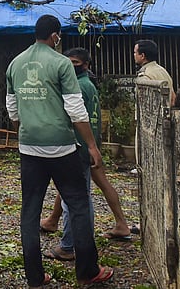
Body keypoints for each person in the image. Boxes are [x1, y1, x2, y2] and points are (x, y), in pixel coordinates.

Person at [6, 15, 113, 288]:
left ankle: (34, 276)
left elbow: (13, 110)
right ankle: (87, 271)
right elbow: (76, 110)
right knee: (77, 205)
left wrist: (27, 128)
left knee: (30, 211)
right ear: (55, 36)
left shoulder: (15, 64)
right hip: (61, 147)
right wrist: (91, 145)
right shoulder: (61, 63)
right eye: (59, 37)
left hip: (29, 147)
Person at [40, 48, 138, 245]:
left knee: (78, 193)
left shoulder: (77, 86)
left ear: (86, 65)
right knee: (78, 184)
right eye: (68, 62)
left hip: (80, 145)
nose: (71, 66)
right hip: (90, 144)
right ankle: (54, 220)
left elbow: (74, 117)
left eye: (74, 62)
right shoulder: (89, 84)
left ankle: (75, 243)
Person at [134, 39, 175, 105]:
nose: (134, 55)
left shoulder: (145, 75)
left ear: (142, 56)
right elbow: (173, 99)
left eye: (135, 52)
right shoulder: (163, 71)